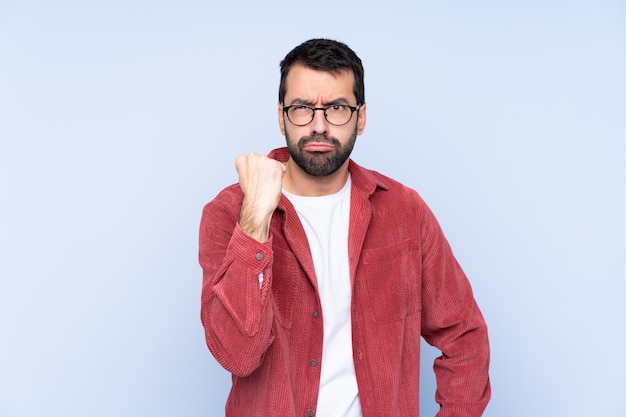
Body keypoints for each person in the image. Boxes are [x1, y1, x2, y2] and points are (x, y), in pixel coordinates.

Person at [199, 38, 491, 417]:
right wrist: (255, 219)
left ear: (361, 117)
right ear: (280, 115)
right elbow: (238, 354)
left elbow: (465, 336)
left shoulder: (405, 211)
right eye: (302, 108)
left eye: (336, 108)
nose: (318, 127)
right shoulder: (228, 214)